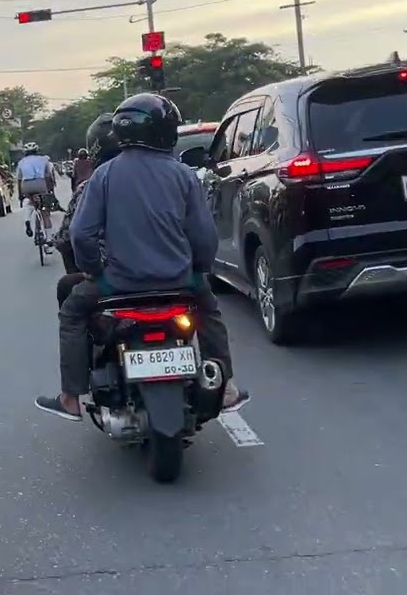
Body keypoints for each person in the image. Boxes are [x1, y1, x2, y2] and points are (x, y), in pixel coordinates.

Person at [35, 93, 248, 421]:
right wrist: (198, 271)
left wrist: (95, 272)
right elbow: (204, 237)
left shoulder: (103, 176)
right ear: (165, 131)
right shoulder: (183, 175)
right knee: (209, 311)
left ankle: (71, 398)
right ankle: (228, 388)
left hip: (119, 285)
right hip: (179, 283)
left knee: (73, 311)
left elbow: (80, 234)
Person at [54, 115, 119, 303]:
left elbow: (72, 237)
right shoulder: (174, 176)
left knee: (68, 297)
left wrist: (92, 271)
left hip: (115, 278)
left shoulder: (90, 187)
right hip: (173, 276)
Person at [15, 142, 57, 244]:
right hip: (40, 184)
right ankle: (49, 238)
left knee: (30, 202)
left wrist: (20, 195)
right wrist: (50, 191)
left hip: (26, 185)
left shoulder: (21, 162)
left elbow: (19, 180)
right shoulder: (44, 160)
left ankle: (27, 220)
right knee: (45, 213)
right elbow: (48, 176)